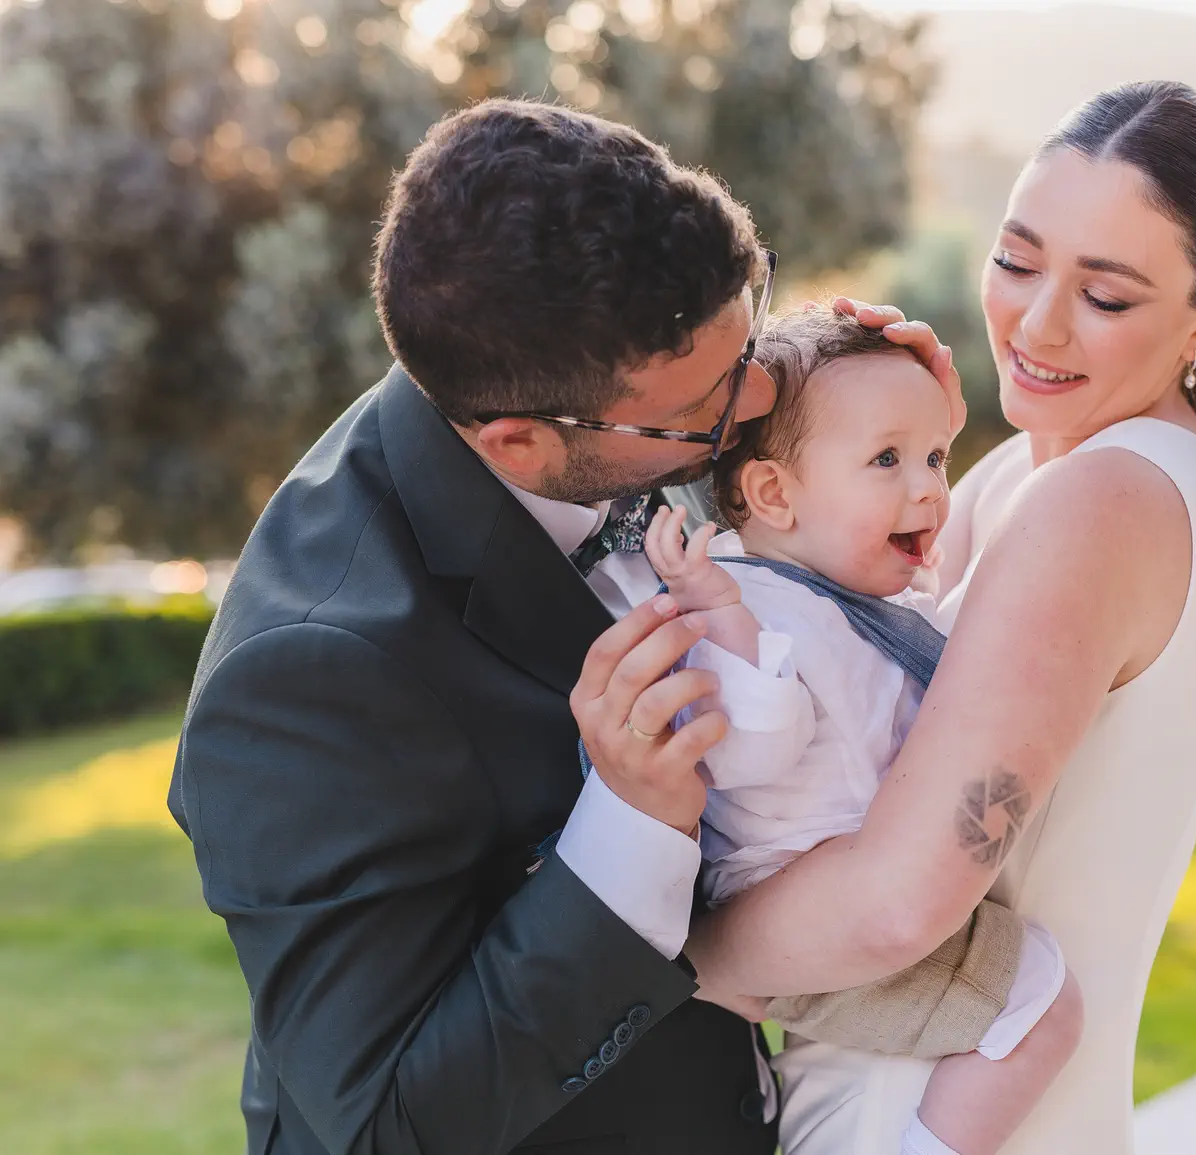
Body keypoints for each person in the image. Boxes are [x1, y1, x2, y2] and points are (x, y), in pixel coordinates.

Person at [679, 81, 1196, 1154]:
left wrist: (655, 954)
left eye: (1105, 298)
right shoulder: (1035, 471)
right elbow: (852, 647)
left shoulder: (1101, 502)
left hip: (928, 1114)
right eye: (1017, 262)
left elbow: (896, 907)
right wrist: (876, 414)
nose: (1036, 321)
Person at [168, 99, 808, 1155]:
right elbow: (384, 1127)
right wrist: (634, 819)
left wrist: (854, 384)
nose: (759, 401)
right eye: (707, 408)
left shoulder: (550, 375)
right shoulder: (308, 680)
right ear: (519, 442)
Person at [639, 310, 1084, 1155]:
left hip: (832, 917)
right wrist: (726, 623)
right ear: (773, 493)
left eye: (934, 458)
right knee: (1046, 1005)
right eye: (887, 459)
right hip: (812, 919)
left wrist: (923, 418)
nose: (927, 488)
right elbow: (741, 749)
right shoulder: (746, 603)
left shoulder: (829, 592)